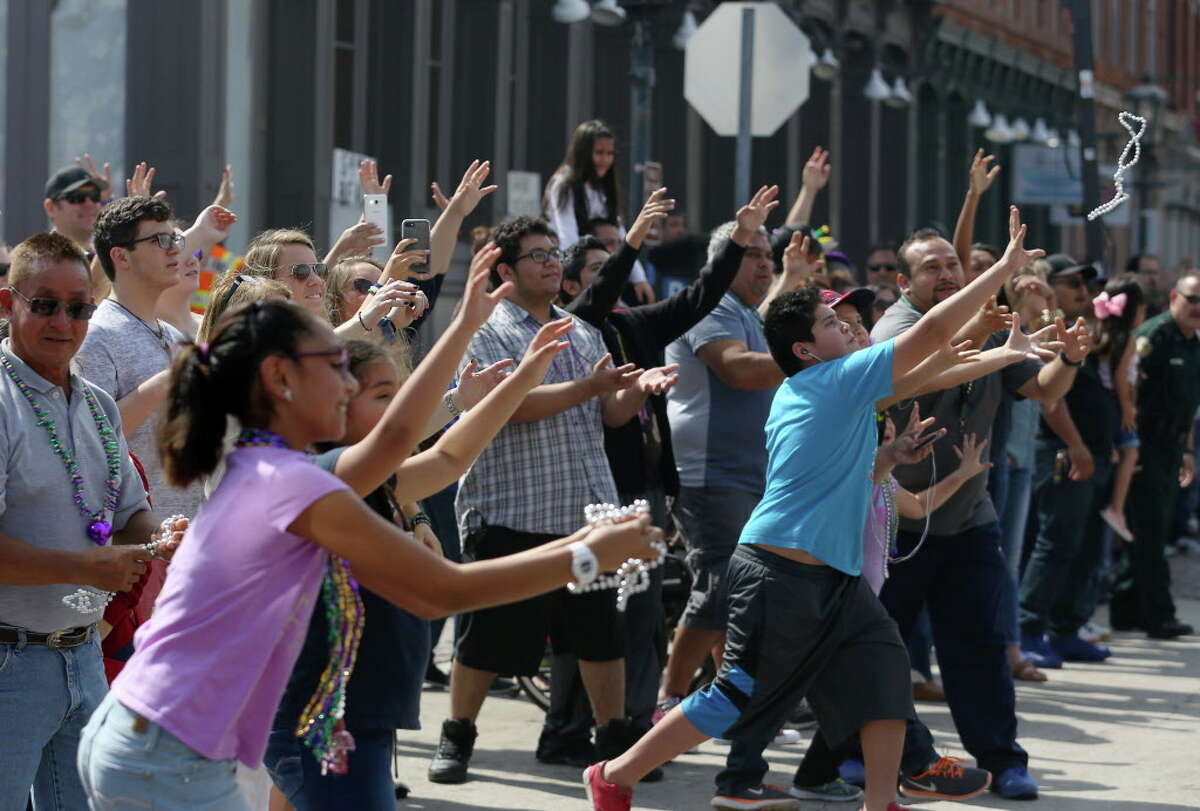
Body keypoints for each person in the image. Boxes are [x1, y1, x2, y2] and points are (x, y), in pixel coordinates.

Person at [77, 264, 664, 809]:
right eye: (335, 366)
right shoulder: (291, 484)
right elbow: (441, 591)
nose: (347, 385)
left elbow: (404, 443)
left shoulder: (275, 467)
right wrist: (586, 556)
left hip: (157, 737)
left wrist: (467, 332)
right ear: (280, 378)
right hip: (167, 751)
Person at [584, 207, 1046, 811]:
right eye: (833, 322)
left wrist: (1005, 353)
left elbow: (932, 367)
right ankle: (614, 774)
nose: (850, 327)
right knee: (732, 695)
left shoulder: (840, 385)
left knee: (884, 677)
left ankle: (881, 801)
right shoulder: (828, 383)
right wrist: (1003, 270)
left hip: (834, 576)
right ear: (805, 349)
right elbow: (931, 337)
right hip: (777, 571)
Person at [430, 215, 675, 784]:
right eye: (536, 255)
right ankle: (458, 736)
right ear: (505, 270)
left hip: (586, 514)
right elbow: (509, 406)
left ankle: (613, 746)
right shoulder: (487, 329)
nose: (550, 263)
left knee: (599, 638)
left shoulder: (580, 329)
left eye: (552, 253)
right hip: (512, 510)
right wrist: (592, 387)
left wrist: (634, 391)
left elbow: (607, 415)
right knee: (485, 642)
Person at [537, 187, 772, 771]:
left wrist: (739, 239)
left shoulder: (635, 326)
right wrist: (635, 237)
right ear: (573, 286)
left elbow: (700, 296)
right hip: (591, 491)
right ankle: (566, 730)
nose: (616, 276)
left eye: (617, 263)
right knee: (586, 617)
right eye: (596, 269)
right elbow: (605, 288)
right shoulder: (574, 325)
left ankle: (633, 729)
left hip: (643, 491)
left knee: (640, 618)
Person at [870, 212, 1092, 800]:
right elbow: (909, 381)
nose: (946, 274)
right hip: (896, 522)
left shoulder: (990, 323)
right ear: (903, 283)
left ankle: (1003, 760)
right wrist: (974, 335)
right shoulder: (894, 327)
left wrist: (1066, 360)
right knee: (880, 648)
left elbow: (1042, 390)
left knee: (980, 645)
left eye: (953, 264)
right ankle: (861, 758)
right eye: (931, 268)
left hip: (968, 517)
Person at [0, 232, 178, 810]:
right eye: (44, 304)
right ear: (8, 305)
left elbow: (127, 513)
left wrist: (163, 534)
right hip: (10, 659)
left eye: (78, 307)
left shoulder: (97, 402)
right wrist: (87, 567)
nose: (64, 321)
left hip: (83, 652)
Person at [657, 194, 811, 725]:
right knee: (720, 589)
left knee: (739, 593)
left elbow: (766, 327)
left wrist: (790, 279)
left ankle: (731, 704)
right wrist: (808, 353)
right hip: (708, 473)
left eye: (769, 256)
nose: (765, 264)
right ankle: (669, 703)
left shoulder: (742, 309)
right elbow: (741, 370)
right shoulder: (706, 304)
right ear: (723, 260)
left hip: (749, 475)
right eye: (754, 255)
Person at [1018, 275, 1134, 667]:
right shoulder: (1048, 329)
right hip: (1065, 453)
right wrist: (1076, 445)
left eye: (1086, 283)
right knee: (1056, 544)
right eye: (1071, 283)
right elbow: (1051, 400)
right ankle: (1029, 629)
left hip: (1098, 454)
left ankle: (1066, 630)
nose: (1083, 290)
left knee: (1085, 547)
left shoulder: (1088, 330)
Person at [78, 196, 204, 520]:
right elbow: (91, 436)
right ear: (121, 256)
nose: (175, 248)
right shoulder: (95, 336)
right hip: (136, 544)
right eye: (159, 240)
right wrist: (167, 380)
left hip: (189, 534)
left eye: (175, 238)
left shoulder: (176, 337)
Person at [1109, 271, 1200, 639]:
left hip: (1172, 446)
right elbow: (1125, 389)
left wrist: (1189, 450)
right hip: (1143, 446)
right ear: (1174, 297)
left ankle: (1126, 609)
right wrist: (1128, 445)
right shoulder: (1153, 336)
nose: (1197, 308)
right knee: (1149, 532)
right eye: (1192, 299)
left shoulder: (1194, 343)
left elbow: (1188, 404)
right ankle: (1159, 615)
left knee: (1149, 529)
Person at [543, 119, 654, 303]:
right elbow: (567, 235)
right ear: (584, 153)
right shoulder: (564, 184)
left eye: (610, 154)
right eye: (599, 153)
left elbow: (622, 235)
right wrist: (579, 276)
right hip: (567, 269)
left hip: (593, 268)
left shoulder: (605, 189)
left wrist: (639, 278)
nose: (605, 160)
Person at [1096, 277, 1149, 544]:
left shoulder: (1104, 331)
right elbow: (1120, 377)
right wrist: (1128, 409)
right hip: (1117, 403)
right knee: (1131, 451)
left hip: (1107, 403)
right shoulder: (1127, 339)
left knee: (1122, 452)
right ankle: (1116, 508)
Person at [43, 165, 109, 254]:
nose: (89, 204)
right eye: (78, 197)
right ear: (51, 208)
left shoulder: (109, 258)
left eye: (95, 196)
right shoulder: (39, 260)